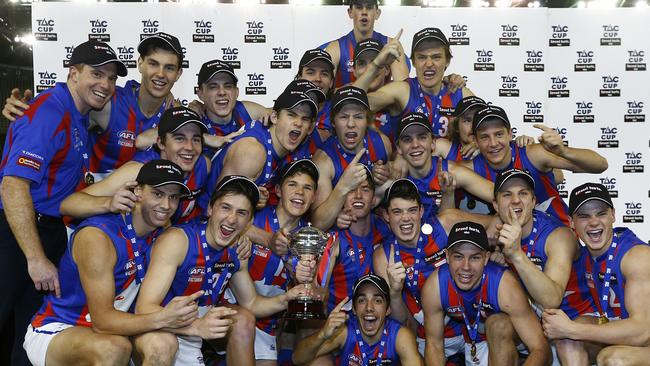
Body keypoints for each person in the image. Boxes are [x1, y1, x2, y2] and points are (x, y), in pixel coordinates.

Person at [0, 40, 127, 365]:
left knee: (28, 338)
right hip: (17, 234)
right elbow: (13, 186)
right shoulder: (49, 111)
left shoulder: (79, 113)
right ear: (73, 73)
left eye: (111, 78)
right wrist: (35, 257)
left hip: (48, 232)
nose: (105, 84)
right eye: (96, 74)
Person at [22, 160, 200, 366]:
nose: (166, 205)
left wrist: (241, 238)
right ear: (138, 192)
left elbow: (204, 234)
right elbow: (102, 321)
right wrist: (164, 318)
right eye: (158, 194)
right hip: (62, 327)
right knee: (113, 348)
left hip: (119, 329)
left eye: (174, 197)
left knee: (163, 344)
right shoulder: (98, 236)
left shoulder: (162, 232)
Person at [134, 175, 312, 366]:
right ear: (211, 208)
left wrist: (286, 299)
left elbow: (251, 303)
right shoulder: (178, 241)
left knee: (243, 319)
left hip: (194, 331)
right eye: (225, 207)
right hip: (156, 329)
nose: (232, 219)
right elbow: (144, 309)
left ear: (249, 221)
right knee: (162, 346)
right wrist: (196, 327)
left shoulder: (236, 248)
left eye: (241, 213)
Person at [3, 33, 183, 182]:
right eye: (153, 64)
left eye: (169, 68)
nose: (160, 74)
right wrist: (31, 108)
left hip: (139, 217)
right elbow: (64, 104)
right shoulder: (108, 102)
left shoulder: (176, 115)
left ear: (178, 74)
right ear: (140, 64)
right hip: (86, 210)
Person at [372, 178, 495, 355]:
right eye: (397, 212)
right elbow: (402, 321)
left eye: (412, 210)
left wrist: (495, 249)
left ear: (421, 211)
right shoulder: (383, 257)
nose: (406, 218)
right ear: (386, 216)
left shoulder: (445, 222)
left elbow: (494, 223)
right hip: (428, 334)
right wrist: (395, 293)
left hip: (474, 325)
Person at [488, 168, 597, 365]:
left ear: (533, 201)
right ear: (495, 205)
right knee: (497, 324)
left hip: (575, 322)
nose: (515, 201)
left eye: (523, 193)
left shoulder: (558, 236)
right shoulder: (497, 236)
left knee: (568, 340)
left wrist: (516, 255)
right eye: (507, 195)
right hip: (535, 326)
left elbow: (552, 299)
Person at [542, 183, 650, 365]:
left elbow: (643, 332)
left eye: (601, 213)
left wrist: (572, 329)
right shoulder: (583, 257)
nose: (593, 222)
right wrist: (504, 257)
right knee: (568, 340)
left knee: (613, 359)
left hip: (644, 337)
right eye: (584, 216)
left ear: (613, 215)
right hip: (621, 331)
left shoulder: (636, 256)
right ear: (571, 222)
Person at [421, 221, 550, 365]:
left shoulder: (504, 284)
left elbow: (541, 348)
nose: (466, 267)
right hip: (477, 341)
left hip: (518, 338)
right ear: (447, 256)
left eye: (475, 257)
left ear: (486, 257)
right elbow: (434, 345)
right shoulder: (435, 286)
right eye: (458, 256)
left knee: (498, 325)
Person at [59, 106, 211, 224]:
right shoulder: (138, 170)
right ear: (161, 143)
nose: (190, 147)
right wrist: (108, 203)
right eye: (179, 138)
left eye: (196, 139)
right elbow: (67, 205)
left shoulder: (203, 165)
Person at [461, 105, 608, 225]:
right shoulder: (470, 169)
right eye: (484, 137)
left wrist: (563, 150)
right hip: (513, 249)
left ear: (510, 134)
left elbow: (600, 165)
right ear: (475, 140)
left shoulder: (532, 154)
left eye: (499, 134)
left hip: (560, 237)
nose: (493, 143)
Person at [237, 159, 320, 365]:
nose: (300, 192)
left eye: (307, 187)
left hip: (267, 327)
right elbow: (228, 223)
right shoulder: (253, 217)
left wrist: (302, 279)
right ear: (278, 190)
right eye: (292, 184)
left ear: (314, 198)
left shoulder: (311, 239)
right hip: (232, 311)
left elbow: (316, 292)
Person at [200, 85, 318, 212]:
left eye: (304, 119)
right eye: (291, 115)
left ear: (310, 128)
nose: (298, 123)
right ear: (274, 117)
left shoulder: (280, 145)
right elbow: (216, 211)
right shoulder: (252, 152)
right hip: (203, 222)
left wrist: (252, 197)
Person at [354, 27, 472, 138]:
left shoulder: (459, 93)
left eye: (436, 57)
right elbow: (352, 103)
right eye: (421, 57)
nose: (429, 64)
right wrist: (377, 64)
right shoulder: (403, 90)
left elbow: (487, 128)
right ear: (414, 62)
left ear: (447, 61)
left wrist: (477, 144)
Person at [293, 274, 422, 365]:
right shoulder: (345, 332)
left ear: (388, 309)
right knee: (318, 362)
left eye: (377, 300)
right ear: (354, 309)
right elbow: (297, 359)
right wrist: (322, 335)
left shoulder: (400, 335)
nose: (369, 307)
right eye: (362, 300)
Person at [311, 85, 391, 230]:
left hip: (373, 229)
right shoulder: (324, 161)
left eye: (358, 117)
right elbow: (318, 224)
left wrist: (389, 170)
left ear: (367, 120)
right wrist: (343, 186)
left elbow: (393, 174)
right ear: (333, 122)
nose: (351, 124)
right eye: (343, 116)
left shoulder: (382, 144)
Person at [394, 112, 494, 220]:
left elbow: (494, 193)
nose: (415, 145)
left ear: (433, 143)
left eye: (422, 137)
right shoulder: (393, 173)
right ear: (399, 148)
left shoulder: (450, 171)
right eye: (407, 140)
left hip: (444, 233)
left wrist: (494, 222)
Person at [317, 166, 388, 314]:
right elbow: (319, 292)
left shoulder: (385, 229)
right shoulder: (333, 240)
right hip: (339, 324)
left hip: (374, 321)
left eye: (365, 189)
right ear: (342, 198)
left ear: (374, 199)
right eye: (351, 190)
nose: (358, 195)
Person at [319, 0, 409, 88]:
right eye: (359, 7)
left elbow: (403, 91)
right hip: (348, 102)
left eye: (369, 7)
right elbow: (324, 94)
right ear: (350, 12)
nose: (364, 12)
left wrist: (349, 90)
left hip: (380, 102)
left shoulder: (391, 45)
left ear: (377, 13)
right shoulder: (335, 48)